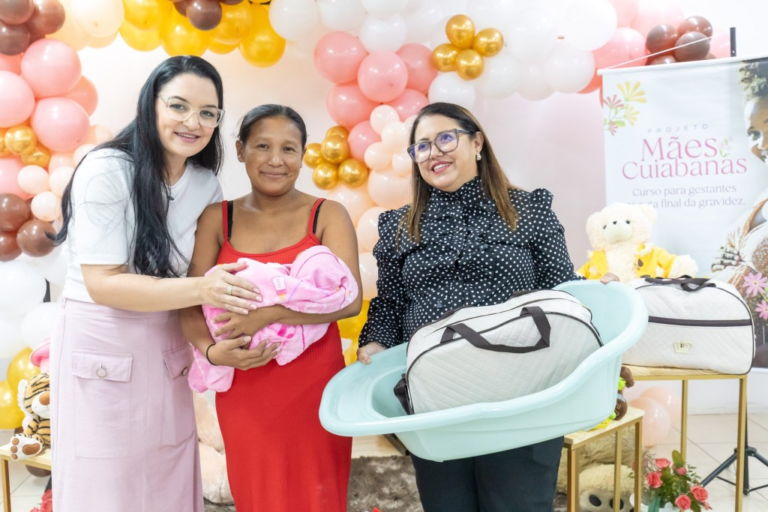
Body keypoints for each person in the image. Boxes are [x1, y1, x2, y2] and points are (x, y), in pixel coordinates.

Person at [49, 56, 261, 512]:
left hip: (167, 341)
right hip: (102, 339)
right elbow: (104, 284)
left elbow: (207, 272)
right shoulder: (106, 169)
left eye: (208, 113)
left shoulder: (205, 185)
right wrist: (203, 289)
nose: (193, 122)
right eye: (179, 106)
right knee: (106, 482)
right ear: (151, 104)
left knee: (169, 472)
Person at [356, 102, 583, 512]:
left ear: (476, 142)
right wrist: (375, 342)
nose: (433, 153)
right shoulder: (398, 225)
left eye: (445, 138)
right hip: (437, 395)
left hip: (522, 390)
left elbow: (561, 289)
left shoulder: (529, 210)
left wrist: (601, 314)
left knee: (519, 504)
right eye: (421, 146)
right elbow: (390, 303)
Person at [179, 104, 361, 512]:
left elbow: (350, 300)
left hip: (314, 381)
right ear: (240, 150)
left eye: (288, 149)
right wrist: (212, 352)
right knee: (257, 491)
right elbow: (189, 299)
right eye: (262, 146)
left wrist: (271, 314)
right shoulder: (217, 218)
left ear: (303, 154)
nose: (276, 160)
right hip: (244, 382)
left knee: (318, 492)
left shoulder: (326, 214)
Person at [711, 59, 768, 367]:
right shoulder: (763, 197)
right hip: (738, 351)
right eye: (754, 133)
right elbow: (726, 254)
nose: (763, 143)